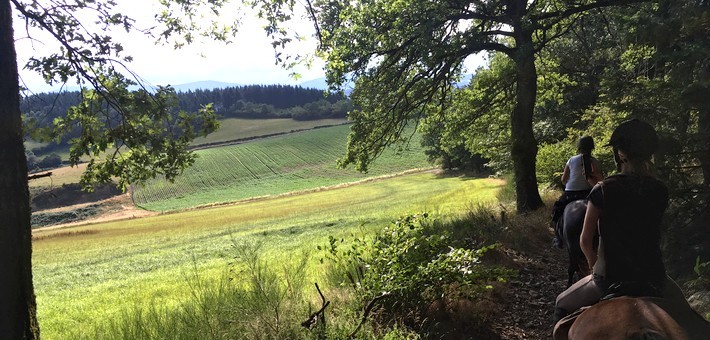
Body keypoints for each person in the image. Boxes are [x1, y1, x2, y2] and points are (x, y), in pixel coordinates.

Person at [553, 119, 687, 324]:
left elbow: (585, 241)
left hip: (610, 279)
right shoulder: (660, 190)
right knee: (688, 316)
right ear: (650, 152)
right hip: (654, 279)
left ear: (620, 153)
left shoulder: (603, 189)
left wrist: (593, 265)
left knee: (561, 305)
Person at [550, 136, 603, 248]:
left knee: (556, 211)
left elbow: (564, 179)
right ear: (591, 147)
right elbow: (599, 179)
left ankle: (558, 238)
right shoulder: (595, 161)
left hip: (571, 193)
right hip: (589, 193)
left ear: (579, 147)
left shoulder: (571, 160)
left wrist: (568, 184)